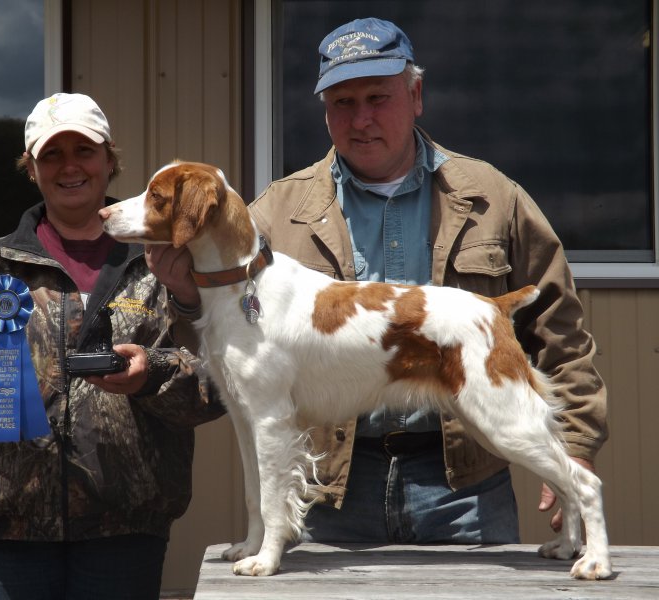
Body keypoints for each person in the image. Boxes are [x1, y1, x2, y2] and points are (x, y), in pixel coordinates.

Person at [159, 17, 608, 546]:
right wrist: (188, 300)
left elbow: (562, 331)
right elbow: (228, 348)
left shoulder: (493, 196)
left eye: (378, 97)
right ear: (325, 111)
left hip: (462, 487)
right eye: (343, 103)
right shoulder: (271, 214)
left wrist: (573, 442)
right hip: (337, 488)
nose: (361, 118)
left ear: (416, 95)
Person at [0, 92, 224, 600]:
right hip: (12, 528)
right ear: (31, 168)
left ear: (110, 160)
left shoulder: (167, 264)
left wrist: (151, 374)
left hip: (127, 528)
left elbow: (221, 384)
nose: (69, 167)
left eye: (84, 151)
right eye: (51, 155)